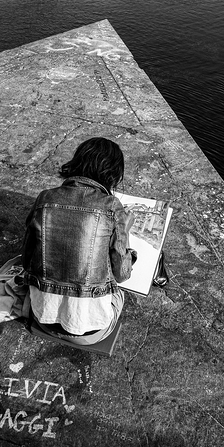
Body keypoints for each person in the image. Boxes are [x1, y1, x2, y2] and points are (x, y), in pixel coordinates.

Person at [22, 137, 136, 344]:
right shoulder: (111, 205)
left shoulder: (44, 198)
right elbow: (122, 275)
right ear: (112, 174)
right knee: (120, 292)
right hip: (92, 332)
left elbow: (26, 260)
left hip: (42, 318)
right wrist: (124, 231)